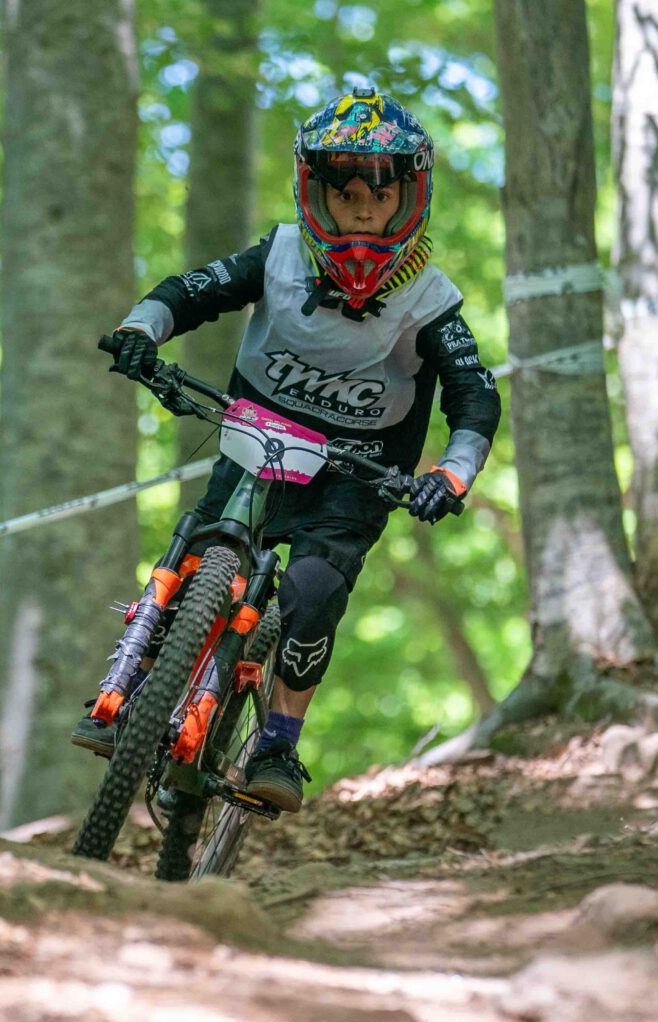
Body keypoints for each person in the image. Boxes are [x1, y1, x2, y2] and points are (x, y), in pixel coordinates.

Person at [75, 87, 502, 813]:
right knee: (197, 551)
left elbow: (475, 395)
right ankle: (136, 686)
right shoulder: (277, 255)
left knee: (312, 592)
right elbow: (192, 291)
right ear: (315, 194)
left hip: (356, 475)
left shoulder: (431, 300)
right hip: (256, 444)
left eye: (381, 195)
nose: (363, 211)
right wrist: (140, 331)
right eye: (346, 195)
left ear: (409, 198)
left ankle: (277, 741)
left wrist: (451, 475)